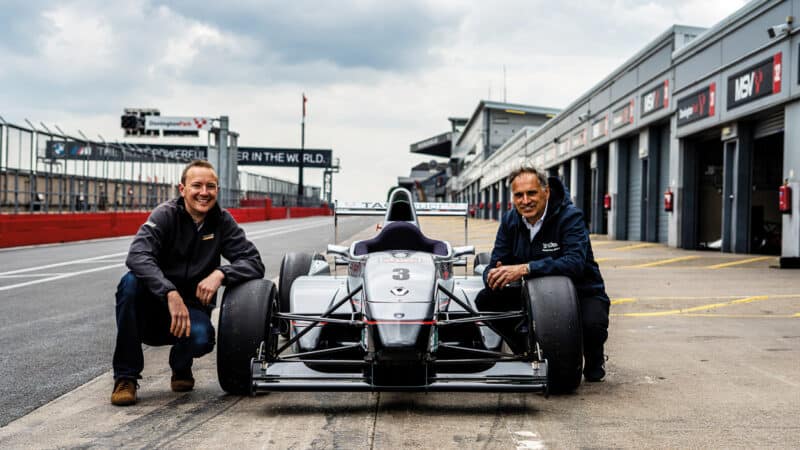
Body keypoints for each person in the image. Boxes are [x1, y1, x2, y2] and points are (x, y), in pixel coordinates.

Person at [111, 160, 265, 406]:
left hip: (193, 307)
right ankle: (125, 377)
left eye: (211, 186)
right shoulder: (165, 215)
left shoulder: (222, 221)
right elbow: (137, 256)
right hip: (156, 307)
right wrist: (169, 292)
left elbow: (254, 262)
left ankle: (181, 365)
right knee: (129, 283)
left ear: (217, 190)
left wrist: (221, 273)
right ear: (182, 189)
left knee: (203, 338)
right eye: (197, 185)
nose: (204, 193)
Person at [477, 164, 610, 382]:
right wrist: (493, 275)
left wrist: (525, 268)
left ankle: (594, 357)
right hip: (531, 293)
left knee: (592, 326)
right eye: (519, 195)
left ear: (546, 191)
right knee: (486, 300)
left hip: (579, 290)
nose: (525, 200)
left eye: (531, 193)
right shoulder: (510, 221)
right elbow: (497, 263)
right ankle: (526, 349)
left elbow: (574, 263)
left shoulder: (571, 217)